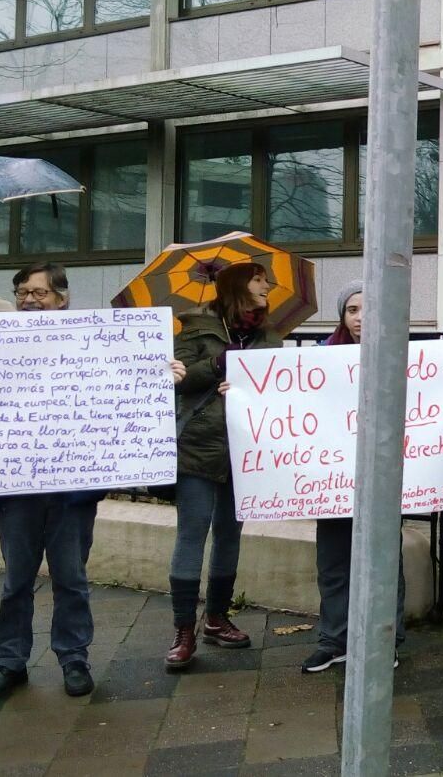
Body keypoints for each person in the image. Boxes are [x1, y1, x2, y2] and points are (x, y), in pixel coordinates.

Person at [0, 264, 105, 702]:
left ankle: (74, 658)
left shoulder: (89, 348)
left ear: (62, 300)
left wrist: (165, 375)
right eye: (22, 292)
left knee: (71, 579)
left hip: (71, 493)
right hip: (15, 490)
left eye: (39, 293)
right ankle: (10, 662)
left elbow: (119, 389)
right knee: (16, 582)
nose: (29, 300)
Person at [166, 261, 282, 671]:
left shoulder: (268, 335)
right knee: (191, 535)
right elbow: (178, 380)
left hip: (243, 450)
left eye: (266, 280)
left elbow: (277, 387)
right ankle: (183, 629)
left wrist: (248, 386)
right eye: (258, 279)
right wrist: (217, 365)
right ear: (237, 286)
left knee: (229, 536)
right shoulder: (195, 329)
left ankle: (216, 617)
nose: (266, 286)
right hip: (199, 447)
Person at [302, 280, 407, 674]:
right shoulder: (321, 356)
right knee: (332, 564)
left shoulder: (400, 354)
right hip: (332, 480)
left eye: (368, 308)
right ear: (342, 316)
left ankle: (385, 639)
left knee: (382, 562)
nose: (361, 318)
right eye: (352, 310)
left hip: (381, 480)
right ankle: (334, 640)